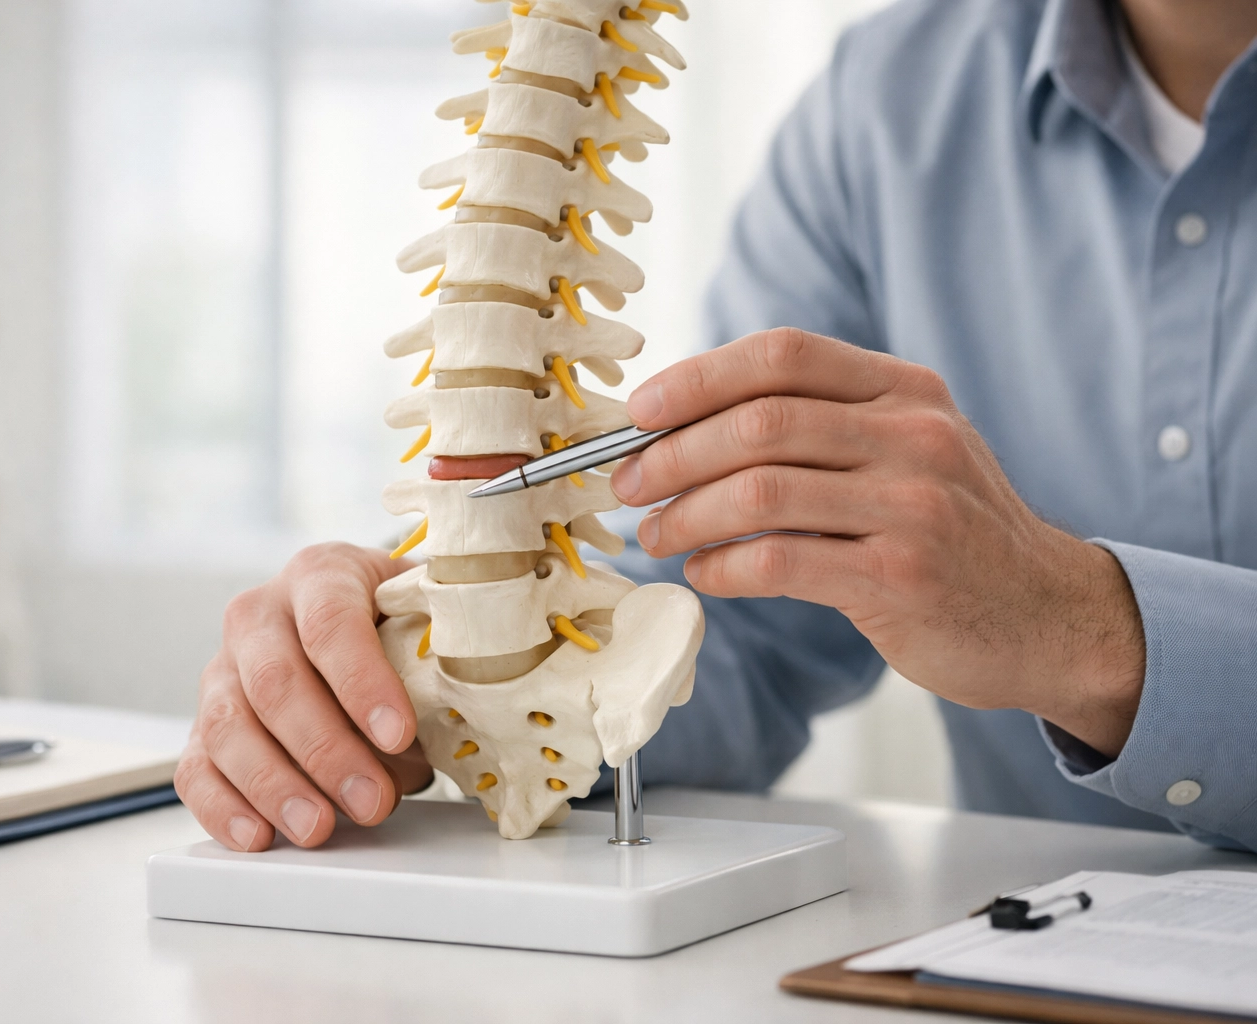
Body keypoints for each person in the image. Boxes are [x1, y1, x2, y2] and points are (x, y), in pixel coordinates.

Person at [174, 0, 1257, 855]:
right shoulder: (886, 101)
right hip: (1019, 962)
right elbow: (747, 624)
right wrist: (455, 665)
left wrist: (1086, 627)